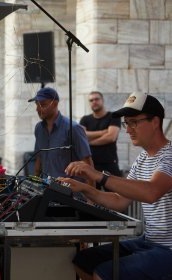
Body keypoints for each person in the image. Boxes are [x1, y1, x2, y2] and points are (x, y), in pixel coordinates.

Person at [59, 91, 172, 280]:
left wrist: (99, 176)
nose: (128, 130)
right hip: (150, 241)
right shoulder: (143, 158)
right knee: (82, 260)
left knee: (103, 273)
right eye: (126, 123)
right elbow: (120, 201)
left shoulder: (169, 156)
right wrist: (85, 189)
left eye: (134, 122)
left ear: (155, 122)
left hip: (168, 248)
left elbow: (152, 192)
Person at [28, 87, 93, 182]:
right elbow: (39, 157)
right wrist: (34, 182)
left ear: (55, 104)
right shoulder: (39, 128)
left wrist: (91, 195)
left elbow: (88, 164)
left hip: (71, 191)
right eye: (36, 105)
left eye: (42, 104)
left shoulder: (73, 128)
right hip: (48, 187)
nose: (38, 109)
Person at [80, 91, 122, 190]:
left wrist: (89, 142)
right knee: (92, 199)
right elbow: (82, 135)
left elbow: (111, 137)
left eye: (97, 99)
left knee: (114, 199)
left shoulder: (113, 116)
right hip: (91, 165)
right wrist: (103, 132)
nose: (94, 102)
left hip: (110, 164)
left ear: (102, 100)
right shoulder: (85, 119)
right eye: (91, 100)